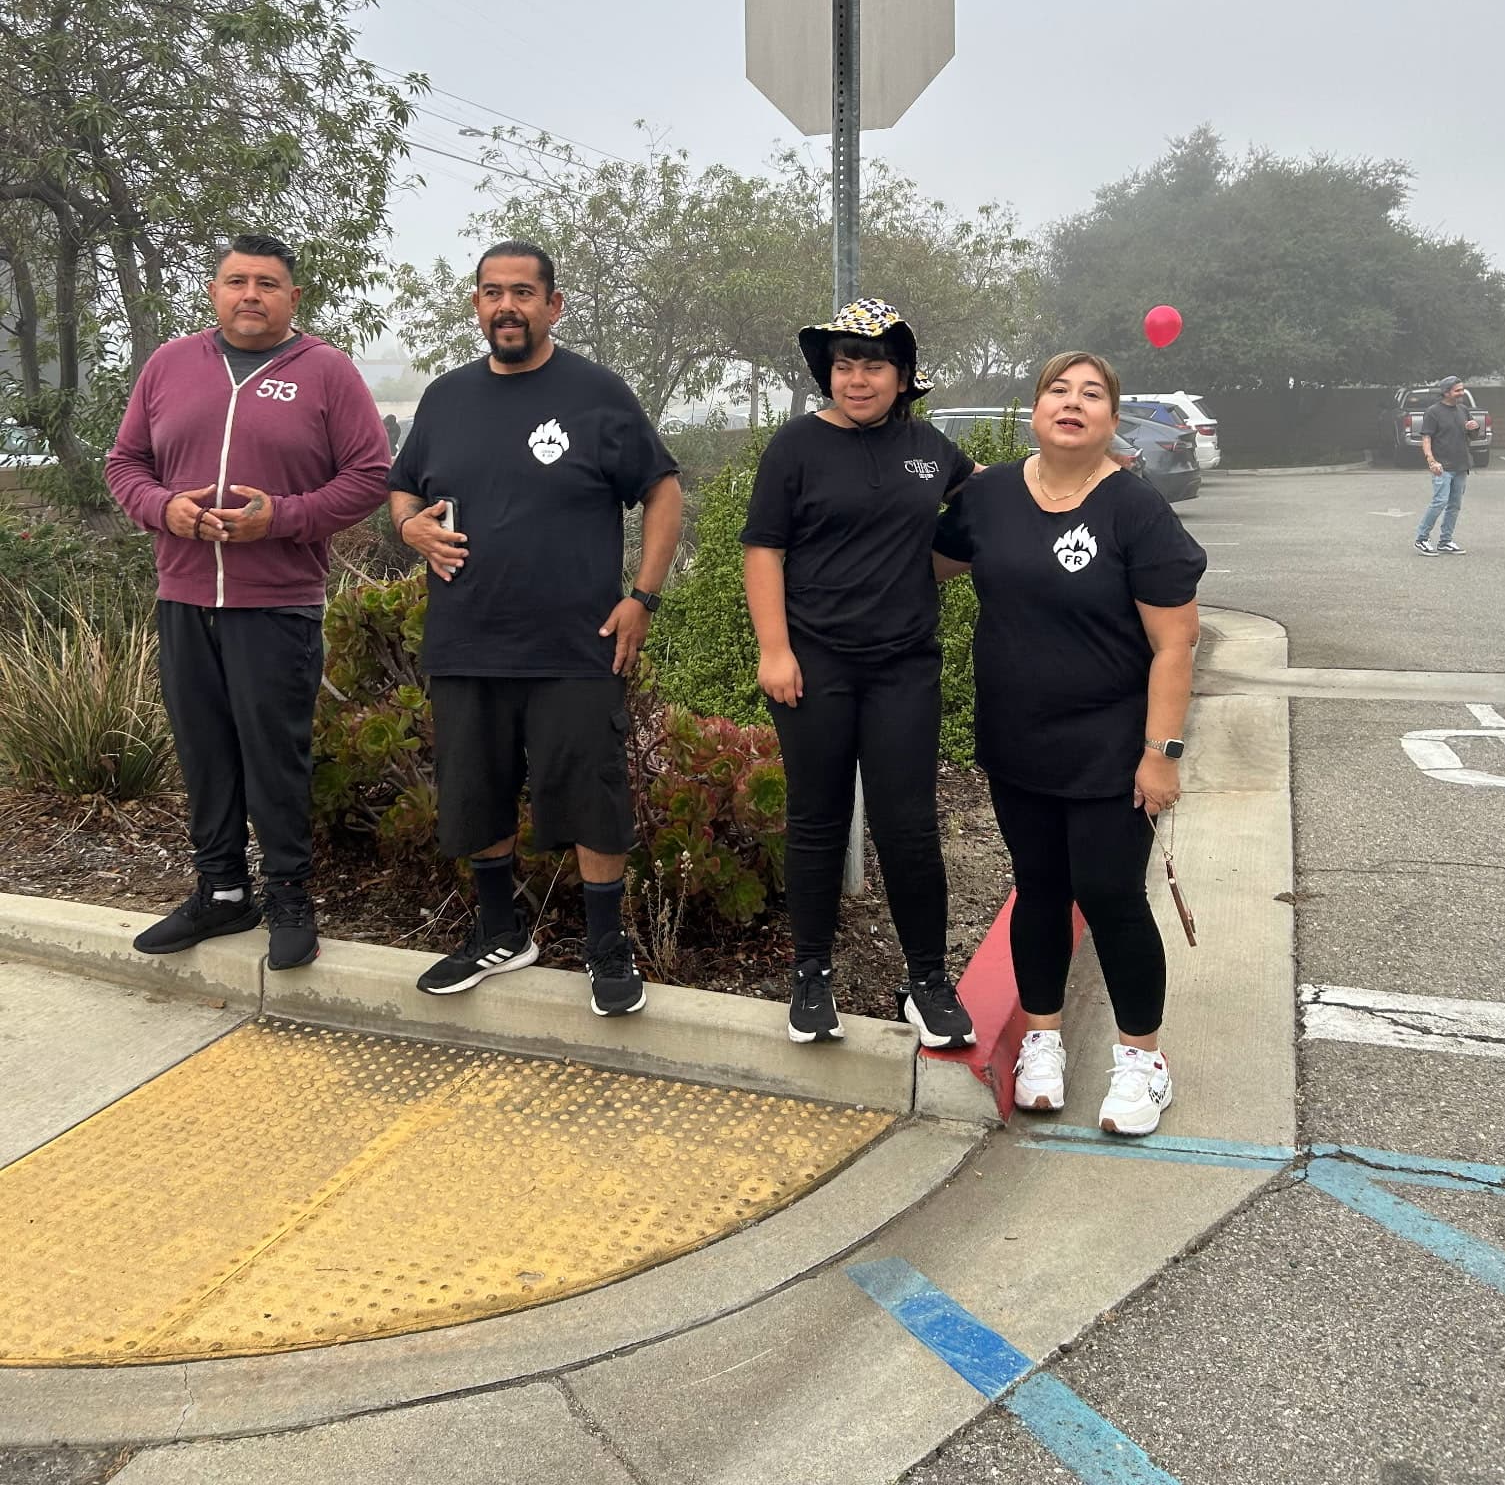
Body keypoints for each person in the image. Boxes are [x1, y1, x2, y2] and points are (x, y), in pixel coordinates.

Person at [390, 241, 683, 1015]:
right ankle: (500, 932)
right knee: (475, 797)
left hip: (576, 645)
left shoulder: (596, 394)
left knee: (592, 801)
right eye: (493, 292)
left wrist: (643, 598)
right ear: (476, 305)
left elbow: (662, 490)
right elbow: (402, 490)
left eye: (523, 292)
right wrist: (410, 527)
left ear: (553, 305)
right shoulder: (446, 398)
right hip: (467, 641)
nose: (507, 306)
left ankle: (606, 946)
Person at [933, 351, 1206, 1136]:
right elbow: (925, 565)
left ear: (1113, 420)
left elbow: (1175, 645)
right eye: (1058, 389)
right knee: (1040, 888)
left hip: (1112, 746)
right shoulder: (988, 497)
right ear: (1035, 408)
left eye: (1092, 394)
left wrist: (1161, 753)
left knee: (1111, 895)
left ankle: (1142, 1061)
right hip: (1018, 741)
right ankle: (1042, 1042)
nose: (1072, 402)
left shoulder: (1135, 510)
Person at [105, 233, 392, 970]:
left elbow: (369, 475)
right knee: (204, 752)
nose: (251, 295)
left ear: (293, 297)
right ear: (214, 292)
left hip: (276, 604)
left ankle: (290, 896)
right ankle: (222, 892)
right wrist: (165, 509)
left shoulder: (326, 371)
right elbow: (126, 462)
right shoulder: (170, 365)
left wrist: (283, 517)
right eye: (237, 281)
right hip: (184, 595)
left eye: (267, 284)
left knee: (274, 757)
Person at [741, 298, 978, 1050]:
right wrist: (774, 649)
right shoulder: (796, 447)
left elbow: (991, 506)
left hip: (904, 666)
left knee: (909, 826)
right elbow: (763, 549)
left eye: (873, 366)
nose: (857, 379)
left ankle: (928, 982)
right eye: (844, 365)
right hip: (814, 664)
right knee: (817, 820)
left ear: (903, 376)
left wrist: (1089, 475)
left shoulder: (930, 449)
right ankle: (811, 976)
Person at [1414, 376, 1475, 556]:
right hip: (1442, 466)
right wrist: (1431, 460)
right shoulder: (1433, 412)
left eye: (1462, 389)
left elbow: (1472, 435)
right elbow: (1426, 438)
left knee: (1454, 505)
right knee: (1439, 502)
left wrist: (1473, 428)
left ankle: (1445, 541)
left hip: (1461, 466)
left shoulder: (1463, 410)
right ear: (1446, 392)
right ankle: (1422, 538)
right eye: (1457, 390)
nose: (1461, 393)